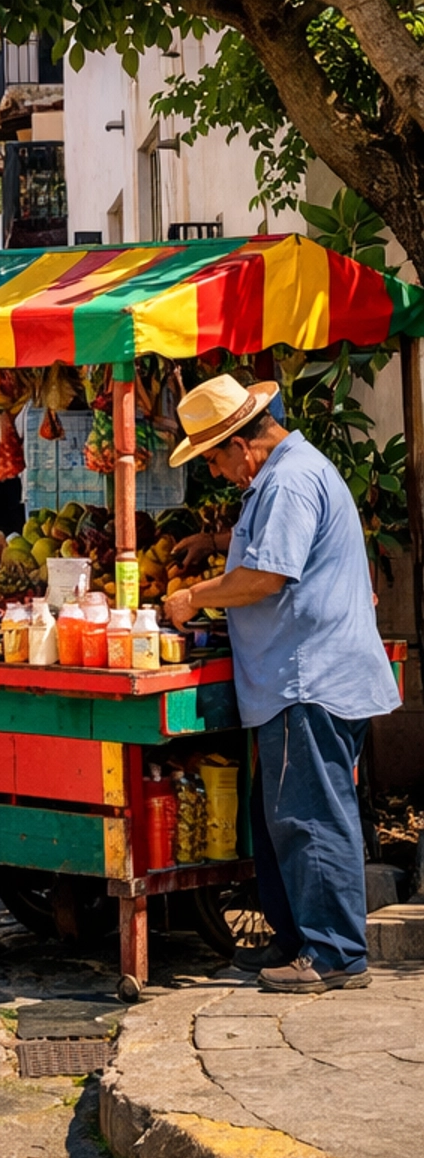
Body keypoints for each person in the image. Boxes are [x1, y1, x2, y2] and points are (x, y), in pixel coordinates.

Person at [163, 373, 400, 993]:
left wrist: (193, 596)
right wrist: (217, 542)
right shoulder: (288, 473)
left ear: (242, 444)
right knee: (282, 816)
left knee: (309, 818)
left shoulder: (290, 479)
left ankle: (335, 955)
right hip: (298, 677)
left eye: (215, 458)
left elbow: (267, 575)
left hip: (307, 679)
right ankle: (295, 938)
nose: (217, 472)